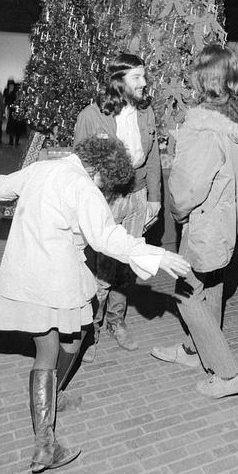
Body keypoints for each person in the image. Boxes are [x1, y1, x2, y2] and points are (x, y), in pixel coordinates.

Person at [0, 136, 191, 473]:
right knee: (54, 347)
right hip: (54, 278)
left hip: (23, 274)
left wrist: (16, 188)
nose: (105, 188)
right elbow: (107, 237)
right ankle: (45, 446)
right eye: (106, 181)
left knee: (70, 338)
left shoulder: (43, 168)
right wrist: (157, 255)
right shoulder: (83, 187)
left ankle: (53, 398)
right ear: (98, 168)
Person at [151, 45, 238, 399]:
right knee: (211, 285)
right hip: (228, 219)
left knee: (187, 295)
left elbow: (186, 188)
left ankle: (228, 373)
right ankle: (193, 351)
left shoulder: (203, 124)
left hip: (203, 221)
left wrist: (177, 214)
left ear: (202, 78)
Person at [73, 53, 162, 361]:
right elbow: (80, 165)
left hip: (137, 195)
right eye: (137, 77)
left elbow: (152, 158)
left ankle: (116, 321)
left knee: (126, 262)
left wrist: (154, 197)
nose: (144, 82)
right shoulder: (91, 115)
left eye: (144, 76)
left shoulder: (145, 111)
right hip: (105, 199)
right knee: (99, 266)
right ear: (119, 81)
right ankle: (91, 329)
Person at [4, 80, 26, 147]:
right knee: (18, 129)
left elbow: (7, 102)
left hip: (12, 113)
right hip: (20, 114)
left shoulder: (12, 93)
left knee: (11, 128)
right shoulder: (22, 94)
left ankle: (11, 142)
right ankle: (16, 142)